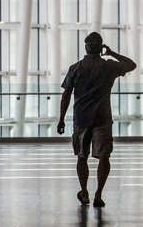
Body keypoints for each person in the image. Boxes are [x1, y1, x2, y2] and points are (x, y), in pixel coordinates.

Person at [57, 32, 136, 208]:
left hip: (81, 119)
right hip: (103, 119)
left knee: (81, 157)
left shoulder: (76, 68)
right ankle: (98, 194)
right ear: (101, 48)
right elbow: (132, 65)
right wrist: (112, 53)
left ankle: (84, 192)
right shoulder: (109, 67)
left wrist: (61, 119)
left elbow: (66, 95)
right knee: (104, 157)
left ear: (85, 47)